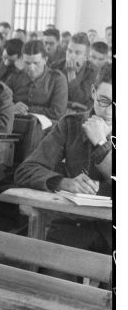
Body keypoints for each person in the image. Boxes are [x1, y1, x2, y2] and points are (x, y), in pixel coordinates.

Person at [14, 64, 112, 254]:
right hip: (73, 225)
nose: (109, 112)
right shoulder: (70, 125)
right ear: (93, 92)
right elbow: (26, 170)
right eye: (104, 101)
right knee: (52, 278)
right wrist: (64, 182)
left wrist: (101, 142)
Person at [6, 40, 67, 122]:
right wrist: (12, 106)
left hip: (46, 130)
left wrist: (26, 110)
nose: (31, 68)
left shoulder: (57, 79)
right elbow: (2, 102)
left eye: (36, 63)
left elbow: (57, 113)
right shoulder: (14, 77)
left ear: (45, 60)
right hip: (15, 125)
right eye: (27, 63)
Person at [51, 32, 97, 112]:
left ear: (86, 57)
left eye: (77, 53)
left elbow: (81, 100)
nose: (71, 56)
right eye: (69, 51)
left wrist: (71, 74)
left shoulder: (93, 71)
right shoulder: (55, 66)